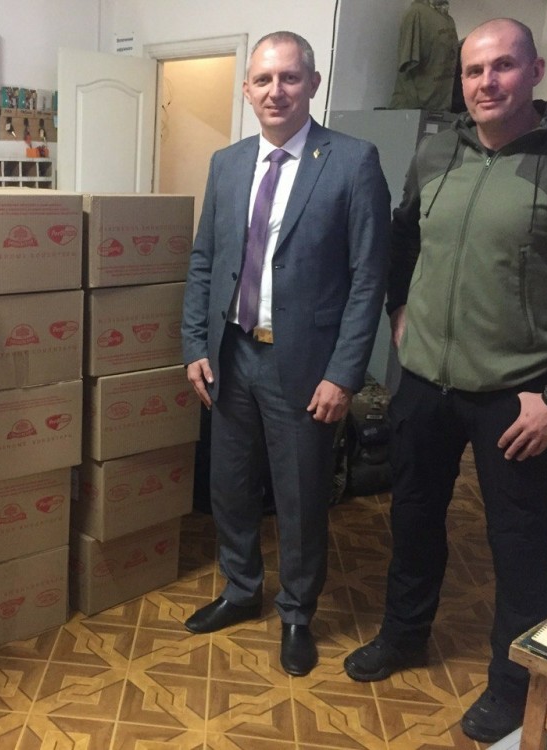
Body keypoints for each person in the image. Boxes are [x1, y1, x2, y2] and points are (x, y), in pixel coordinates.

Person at [344, 18, 547, 743]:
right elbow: (404, 237)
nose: (486, 82)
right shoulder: (436, 153)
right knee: (414, 518)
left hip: (520, 396)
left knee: (519, 544)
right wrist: (399, 306)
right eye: (474, 70)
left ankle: (514, 685)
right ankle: (402, 636)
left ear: (534, 71)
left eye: (502, 66)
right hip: (425, 384)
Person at [180, 31, 390, 676]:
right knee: (230, 484)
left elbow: (368, 278)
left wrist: (343, 374)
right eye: (264, 79)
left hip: (303, 367)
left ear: (312, 84)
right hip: (231, 354)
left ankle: (297, 611)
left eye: (290, 78)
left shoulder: (351, 161)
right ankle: (241, 589)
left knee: (300, 496)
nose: (276, 91)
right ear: (247, 89)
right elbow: (205, 260)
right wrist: (194, 343)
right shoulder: (227, 163)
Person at [389, 0, 459, 111]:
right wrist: (415, 111)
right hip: (412, 110)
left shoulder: (449, 20)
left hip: (440, 111)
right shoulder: (416, 13)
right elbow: (406, 67)